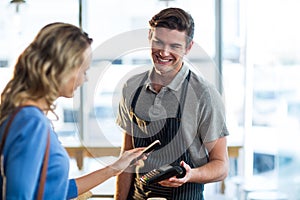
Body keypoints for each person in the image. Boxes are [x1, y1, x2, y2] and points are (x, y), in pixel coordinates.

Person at [0, 22, 145, 199]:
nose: (84, 79)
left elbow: (51, 191)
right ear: (63, 69)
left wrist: (114, 168)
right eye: (83, 70)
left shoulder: (27, 116)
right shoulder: (31, 121)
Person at [115, 7, 229, 200]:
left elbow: (221, 166)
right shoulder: (131, 88)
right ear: (150, 36)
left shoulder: (204, 94)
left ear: (188, 47)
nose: (164, 52)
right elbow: (127, 158)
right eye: (158, 42)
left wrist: (191, 175)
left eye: (175, 46)